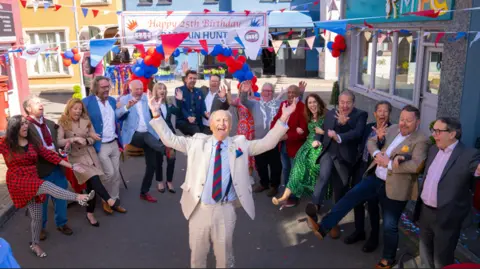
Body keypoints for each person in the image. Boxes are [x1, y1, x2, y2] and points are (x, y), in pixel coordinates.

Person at [148, 90, 297, 268]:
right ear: (211, 125)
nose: (222, 123)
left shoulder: (240, 144)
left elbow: (268, 143)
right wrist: (156, 114)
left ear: (230, 126)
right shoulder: (196, 142)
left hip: (226, 209)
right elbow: (170, 139)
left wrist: (284, 118)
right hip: (199, 208)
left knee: (225, 258)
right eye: (217, 120)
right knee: (197, 256)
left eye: (226, 120)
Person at [306, 105, 429, 269]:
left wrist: (390, 163)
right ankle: (324, 227)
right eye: (402, 119)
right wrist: (377, 152)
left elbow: (416, 165)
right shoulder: (392, 129)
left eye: (408, 120)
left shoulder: (422, 139)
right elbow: (371, 141)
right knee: (350, 197)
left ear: (418, 122)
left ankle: (388, 259)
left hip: (395, 188)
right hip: (375, 178)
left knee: (389, 225)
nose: (403, 123)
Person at [0, 115, 94, 258]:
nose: (25, 126)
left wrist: (72, 166)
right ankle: (79, 197)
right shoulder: (5, 143)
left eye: (25, 123)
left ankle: (34, 244)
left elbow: (51, 156)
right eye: (21, 124)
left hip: (32, 177)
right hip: (18, 181)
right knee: (47, 186)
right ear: (14, 128)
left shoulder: (33, 143)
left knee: (37, 217)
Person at [413, 117, 480, 268]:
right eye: (433, 131)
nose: (434, 134)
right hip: (425, 212)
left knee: (441, 261)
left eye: (438, 131)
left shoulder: (469, 155)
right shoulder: (433, 149)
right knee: (425, 256)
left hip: (447, 217)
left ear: (452, 134)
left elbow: (476, 168)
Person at [307, 90, 368, 238]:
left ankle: (334, 223)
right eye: (342, 102)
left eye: (348, 102)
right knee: (323, 176)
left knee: (340, 191)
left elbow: (357, 133)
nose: (345, 105)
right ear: (338, 102)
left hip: (345, 159)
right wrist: (318, 139)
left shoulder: (360, 115)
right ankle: (314, 207)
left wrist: (344, 125)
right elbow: (323, 129)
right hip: (329, 152)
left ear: (353, 103)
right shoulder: (331, 112)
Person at [57, 98, 123, 227]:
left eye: (80, 109)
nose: (77, 111)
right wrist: (74, 139)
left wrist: (87, 140)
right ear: (69, 109)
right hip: (76, 157)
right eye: (75, 108)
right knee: (93, 177)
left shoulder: (86, 121)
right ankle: (108, 199)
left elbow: (93, 137)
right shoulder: (63, 123)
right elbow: (59, 141)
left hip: (91, 155)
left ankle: (90, 213)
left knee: (91, 186)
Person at [22, 96, 73, 240]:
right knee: (41, 202)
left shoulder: (50, 123)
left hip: (57, 166)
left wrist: (64, 149)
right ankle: (41, 227)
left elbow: (56, 144)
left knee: (62, 197)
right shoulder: (25, 126)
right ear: (28, 108)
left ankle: (62, 223)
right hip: (40, 170)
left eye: (41, 102)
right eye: (37, 103)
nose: (41, 105)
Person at [344, 101, 392, 252]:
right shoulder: (368, 127)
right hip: (361, 168)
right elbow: (355, 138)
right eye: (380, 111)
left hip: (375, 173)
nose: (382, 114)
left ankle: (374, 237)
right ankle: (359, 231)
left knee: (372, 206)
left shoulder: (393, 131)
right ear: (375, 113)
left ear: (389, 114)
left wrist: (380, 138)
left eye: (386, 111)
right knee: (357, 201)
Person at [83, 76, 127, 214]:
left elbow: (120, 118)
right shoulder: (87, 102)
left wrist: (125, 108)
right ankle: (105, 199)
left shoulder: (113, 101)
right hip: (100, 145)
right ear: (96, 87)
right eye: (103, 87)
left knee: (116, 176)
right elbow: (80, 120)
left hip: (114, 142)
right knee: (109, 173)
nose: (107, 89)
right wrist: (90, 133)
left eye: (108, 86)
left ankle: (115, 200)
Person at [272, 94, 327, 206]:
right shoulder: (309, 116)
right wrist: (300, 130)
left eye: (314, 102)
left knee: (314, 173)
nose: (312, 105)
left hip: (320, 148)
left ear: (319, 102)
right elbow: (304, 130)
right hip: (307, 147)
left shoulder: (326, 116)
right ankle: (285, 197)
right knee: (296, 170)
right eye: (310, 103)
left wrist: (323, 133)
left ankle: (316, 200)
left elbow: (332, 133)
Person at [116, 80, 161, 203]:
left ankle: (144, 192)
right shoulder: (124, 99)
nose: (140, 91)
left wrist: (156, 106)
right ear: (131, 89)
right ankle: (164, 148)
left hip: (150, 135)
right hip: (133, 135)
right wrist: (126, 107)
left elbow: (157, 113)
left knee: (152, 165)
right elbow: (117, 115)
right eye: (137, 89)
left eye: (141, 89)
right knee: (146, 137)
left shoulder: (147, 98)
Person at [239, 82, 286, 197]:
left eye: (270, 91)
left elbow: (293, 104)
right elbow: (243, 100)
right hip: (259, 140)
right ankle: (264, 183)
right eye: (265, 90)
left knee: (276, 165)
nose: (267, 93)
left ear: (272, 93)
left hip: (274, 140)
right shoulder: (255, 104)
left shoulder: (278, 103)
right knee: (260, 164)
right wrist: (244, 92)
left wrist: (300, 93)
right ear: (261, 92)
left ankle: (274, 186)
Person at [271, 84, 308, 207]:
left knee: (295, 171)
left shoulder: (302, 107)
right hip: (284, 146)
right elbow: (276, 119)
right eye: (289, 92)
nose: (291, 94)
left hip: (296, 146)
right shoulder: (283, 105)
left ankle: (294, 196)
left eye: (294, 92)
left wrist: (287, 136)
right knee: (286, 169)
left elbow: (304, 131)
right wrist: (274, 132)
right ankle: (286, 192)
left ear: (299, 95)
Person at [148, 82, 183, 193]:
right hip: (157, 137)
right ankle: (159, 181)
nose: (162, 90)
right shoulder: (151, 105)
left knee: (171, 159)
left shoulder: (168, 103)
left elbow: (178, 112)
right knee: (158, 161)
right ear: (155, 91)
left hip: (170, 136)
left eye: (164, 88)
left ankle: (169, 181)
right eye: (159, 89)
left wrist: (180, 101)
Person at [175, 70, 207, 135]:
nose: (192, 80)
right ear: (186, 79)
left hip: (197, 122)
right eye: (190, 78)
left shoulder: (199, 91)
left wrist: (205, 114)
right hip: (184, 121)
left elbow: (202, 106)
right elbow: (180, 108)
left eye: (194, 78)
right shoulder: (179, 90)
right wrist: (188, 117)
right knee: (197, 133)